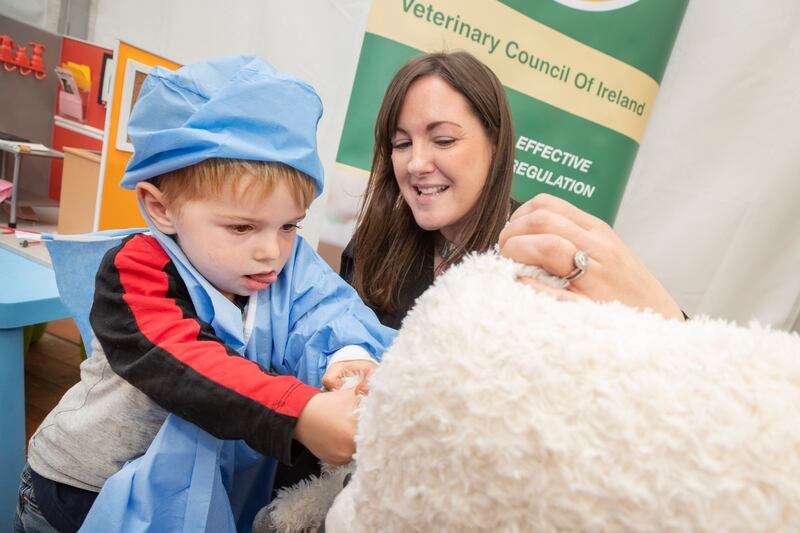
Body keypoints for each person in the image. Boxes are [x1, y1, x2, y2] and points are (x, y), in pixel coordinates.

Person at [14, 56, 395, 533]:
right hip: (80, 493)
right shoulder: (138, 268)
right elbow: (186, 361)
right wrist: (299, 410)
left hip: (191, 496)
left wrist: (349, 355)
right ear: (162, 207)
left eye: (289, 225)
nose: (270, 252)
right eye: (242, 226)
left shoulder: (287, 262)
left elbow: (325, 308)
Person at [341, 50, 684, 330]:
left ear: (495, 142)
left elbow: (676, 354)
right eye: (401, 143)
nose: (416, 163)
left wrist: (667, 315)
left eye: (443, 140)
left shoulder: (547, 251)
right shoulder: (373, 248)